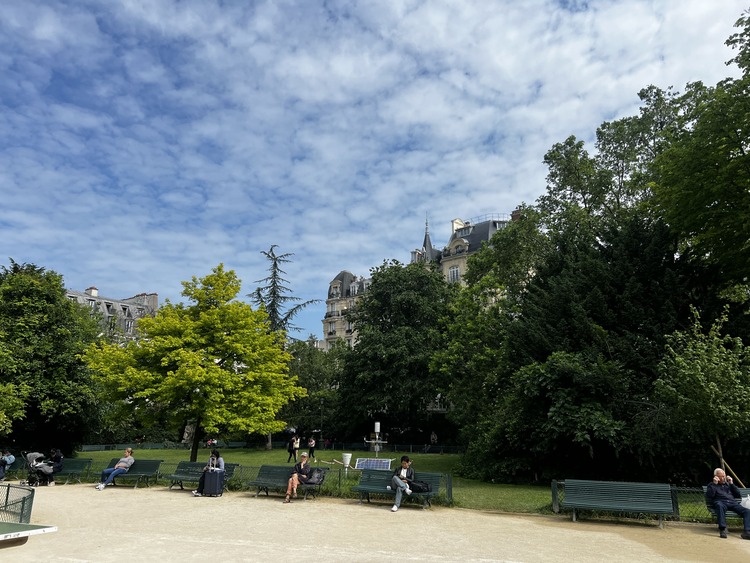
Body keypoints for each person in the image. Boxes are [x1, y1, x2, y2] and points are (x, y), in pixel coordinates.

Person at [705, 467, 750, 539]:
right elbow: (710, 496)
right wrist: (715, 484)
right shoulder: (711, 485)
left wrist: (731, 483)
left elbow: (738, 495)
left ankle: (747, 532)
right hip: (721, 502)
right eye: (721, 477)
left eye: (724, 476)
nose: (723, 478)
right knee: (719, 506)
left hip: (732, 503)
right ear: (716, 477)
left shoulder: (728, 484)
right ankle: (722, 529)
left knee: (747, 511)